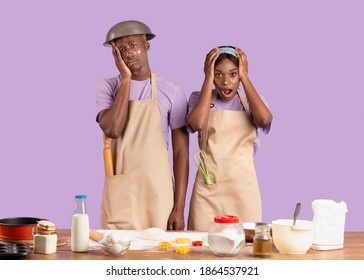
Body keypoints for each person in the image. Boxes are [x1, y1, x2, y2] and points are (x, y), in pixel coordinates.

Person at [96, 20, 189, 230]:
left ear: (146, 46)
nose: (128, 53)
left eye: (132, 45)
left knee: (160, 257)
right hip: (121, 191)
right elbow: (112, 129)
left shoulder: (171, 91)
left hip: (158, 192)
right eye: (120, 49)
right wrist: (126, 79)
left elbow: (181, 152)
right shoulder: (108, 87)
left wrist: (179, 208)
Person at [187, 46, 273, 231]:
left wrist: (245, 78)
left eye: (233, 74)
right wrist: (207, 79)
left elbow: (264, 119)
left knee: (246, 244)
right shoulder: (200, 98)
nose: (226, 81)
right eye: (218, 75)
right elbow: (197, 124)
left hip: (242, 188)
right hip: (208, 187)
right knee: (202, 244)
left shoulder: (251, 101)